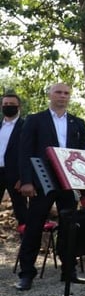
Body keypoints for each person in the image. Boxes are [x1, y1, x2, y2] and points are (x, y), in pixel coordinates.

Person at [15, 83, 85, 291]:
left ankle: (69, 271)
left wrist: (84, 184)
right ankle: (26, 274)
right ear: (49, 94)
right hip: (42, 181)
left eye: (66, 93)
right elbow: (25, 151)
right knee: (34, 226)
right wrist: (27, 181)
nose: (62, 96)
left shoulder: (78, 123)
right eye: (58, 92)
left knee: (69, 227)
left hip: (68, 183)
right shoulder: (35, 120)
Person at [1, 92, 27, 228]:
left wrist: (24, 177)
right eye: (5, 104)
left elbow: (30, 153)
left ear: (19, 107)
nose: (8, 106)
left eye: (11, 104)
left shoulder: (26, 126)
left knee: (21, 212)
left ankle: (26, 245)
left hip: (16, 176)